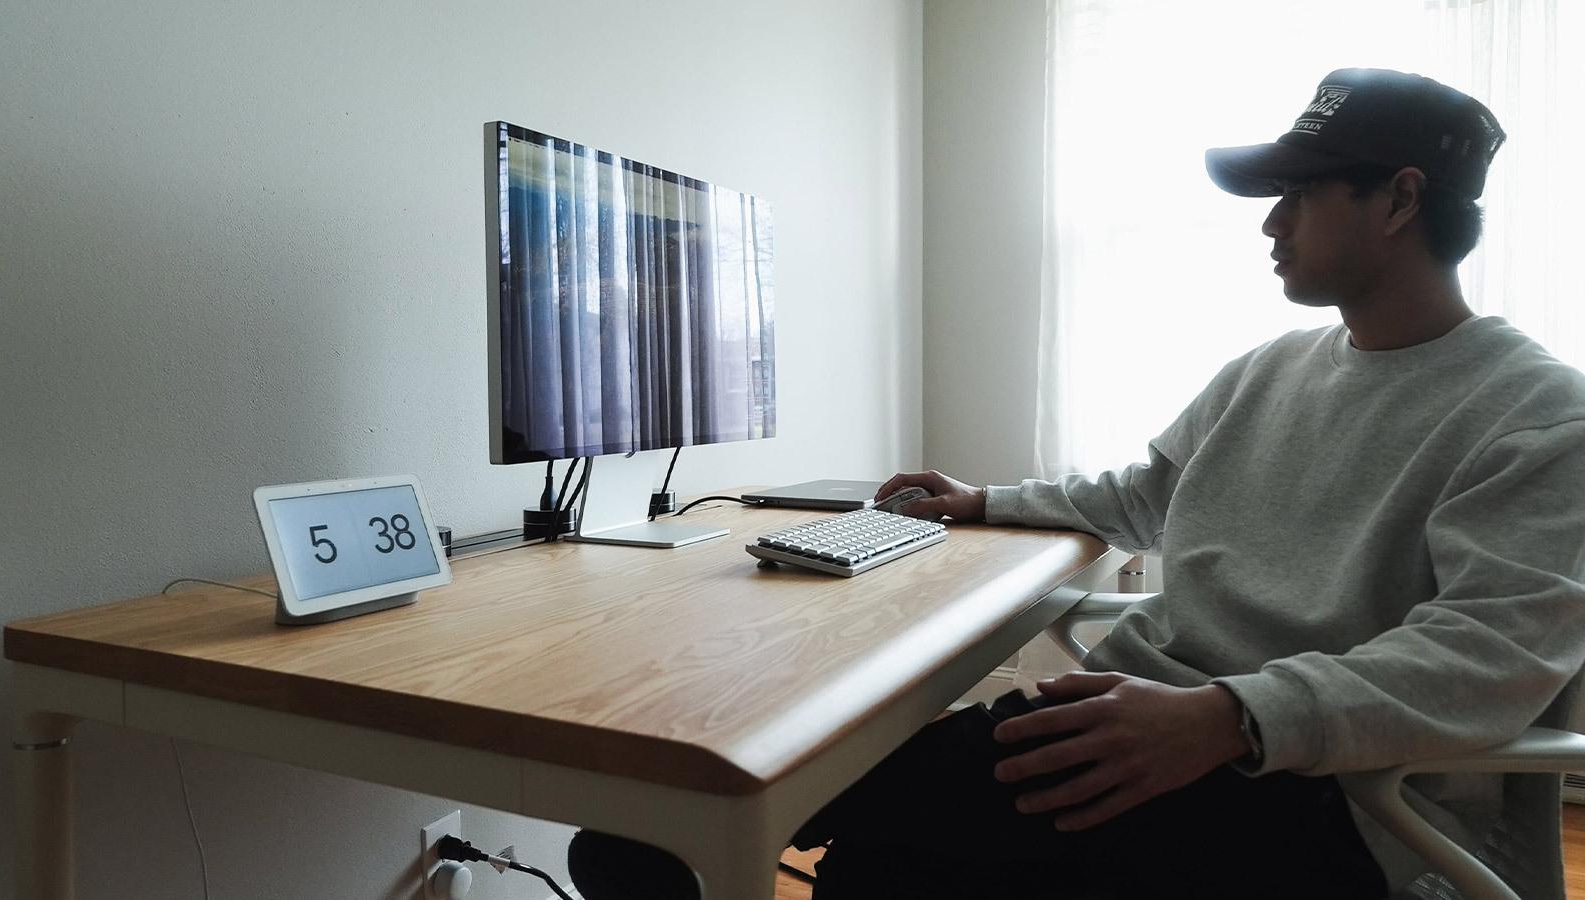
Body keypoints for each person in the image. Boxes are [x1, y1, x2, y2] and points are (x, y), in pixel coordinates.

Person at [569, 68, 1585, 900]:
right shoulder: (1271, 368)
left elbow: (1488, 655)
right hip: (1148, 720)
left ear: (1400, 199)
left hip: (1329, 796)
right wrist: (985, 502)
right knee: (660, 837)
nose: (1270, 224)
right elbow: (1145, 494)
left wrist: (1228, 717)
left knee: (794, 856)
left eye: (1302, 194)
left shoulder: (1536, 412)